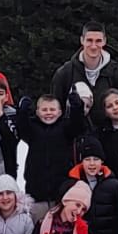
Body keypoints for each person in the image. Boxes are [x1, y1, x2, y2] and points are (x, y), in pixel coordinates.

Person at [51, 25, 118, 130]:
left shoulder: (116, 73)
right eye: (89, 40)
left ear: (104, 41)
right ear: (82, 40)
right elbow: (55, 109)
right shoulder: (64, 73)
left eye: (98, 41)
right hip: (74, 136)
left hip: (107, 137)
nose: (93, 46)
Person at [18, 91, 82, 219]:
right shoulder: (33, 129)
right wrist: (22, 111)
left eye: (52, 109)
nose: (48, 113)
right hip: (36, 190)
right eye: (44, 109)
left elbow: (77, 126)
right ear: (37, 112)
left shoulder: (65, 128)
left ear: (59, 112)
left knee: (59, 227)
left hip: (60, 191)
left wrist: (77, 107)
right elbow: (22, 128)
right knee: (38, 227)